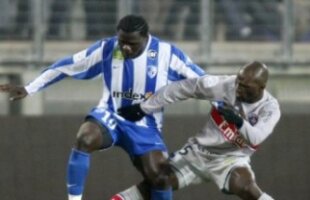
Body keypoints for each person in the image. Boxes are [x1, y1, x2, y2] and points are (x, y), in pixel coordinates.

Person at [0, 15, 205, 200]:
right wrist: (30, 88)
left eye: (131, 44)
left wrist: (225, 104)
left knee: (161, 177)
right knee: (85, 137)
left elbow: (205, 82)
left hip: (145, 125)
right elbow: (66, 66)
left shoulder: (167, 54)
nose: (125, 48)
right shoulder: (107, 48)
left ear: (146, 38)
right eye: (122, 42)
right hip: (110, 115)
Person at [113, 61, 280, 200]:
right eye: (238, 82)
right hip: (199, 152)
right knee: (159, 180)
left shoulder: (270, 108)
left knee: (246, 187)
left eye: (246, 87)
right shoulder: (224, 85)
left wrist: (237, 121)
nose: (238, 89)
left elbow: (256, 138)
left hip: (231, 158)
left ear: (262, 87)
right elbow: (181, 88)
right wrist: (145, 107)